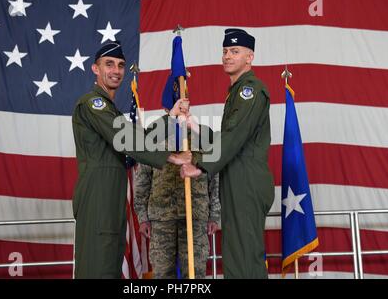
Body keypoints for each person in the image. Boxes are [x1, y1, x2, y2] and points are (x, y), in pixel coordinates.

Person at [71, 41, 191, 278]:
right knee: (98, 269)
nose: (116, 70)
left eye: (120, 65)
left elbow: (137, 137)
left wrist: (170, 117)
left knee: (111, 267)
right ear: (95, 69)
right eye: (109, 64)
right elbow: (125, 139)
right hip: (98, 198)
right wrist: (171, 157)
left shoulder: (110, 108)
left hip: (111, 197)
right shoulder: (93, 104)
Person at [180, 29, 275, 278]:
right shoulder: (236, 91)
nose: (227, 56)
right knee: (236, 253)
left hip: (246, 180)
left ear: (249, 57)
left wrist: (199, 164)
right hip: (236, 178)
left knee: (244, 256)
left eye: (235, 51)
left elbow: (234, 137)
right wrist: (196, 127)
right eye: (224, 51)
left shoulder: (250, 90)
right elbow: (232, 137)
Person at [134, 137, 221, 278]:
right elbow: (142, 182)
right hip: (161, 219)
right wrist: (143, 218)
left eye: (185, 111)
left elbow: (215, 179)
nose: (181, 113)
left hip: (195, 218)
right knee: (163, 274)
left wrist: (214, 215)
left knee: (195, 273)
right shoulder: (155, 139)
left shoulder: (201, 139)